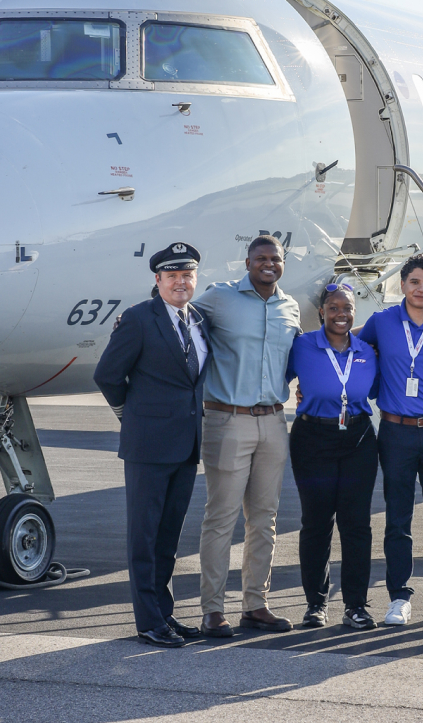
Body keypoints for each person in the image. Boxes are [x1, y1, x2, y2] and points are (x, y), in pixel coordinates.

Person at [94, 242, 210, 648]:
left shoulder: (197, 320)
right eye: (173, 275)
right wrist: (132, 416)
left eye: (187, 275)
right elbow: (108, 374)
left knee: (168, 537)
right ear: (157, 280)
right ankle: (147, 621)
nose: (181, 282)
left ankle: (164, 613)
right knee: (143, 537)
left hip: (185, 445)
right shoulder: (139, 319)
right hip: (148, 445)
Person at [194, 235, 300, 637]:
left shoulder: (289, 308)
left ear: (283, 263)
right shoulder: (219, 298)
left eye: (275, 258)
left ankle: (256, 605)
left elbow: (293, 359)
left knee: (264, 519)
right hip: (227, 419)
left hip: (273, 421)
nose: (268, 264)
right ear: (248, 261)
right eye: (261, 258)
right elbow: (177, 314)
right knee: (220, 518)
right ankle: (212, 610)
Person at [357, 254, 423, 627]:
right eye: (414, 282)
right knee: (397, 519)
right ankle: (399, 597)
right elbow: (349, 348)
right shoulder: (382, 322)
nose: (421, 289)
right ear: (402, 285)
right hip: (396, 431)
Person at [286, 283, 379, 630]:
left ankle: (356, 605)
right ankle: (315, 604)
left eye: (348, 308)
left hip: (357, 439)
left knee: (356, 525)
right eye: (334, 308)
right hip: (312, 439)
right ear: (322, 311)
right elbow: (274, 375)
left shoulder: (368, 351)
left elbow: (387, 384)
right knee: (316, 523)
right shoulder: (302, 346)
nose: (342, 314)